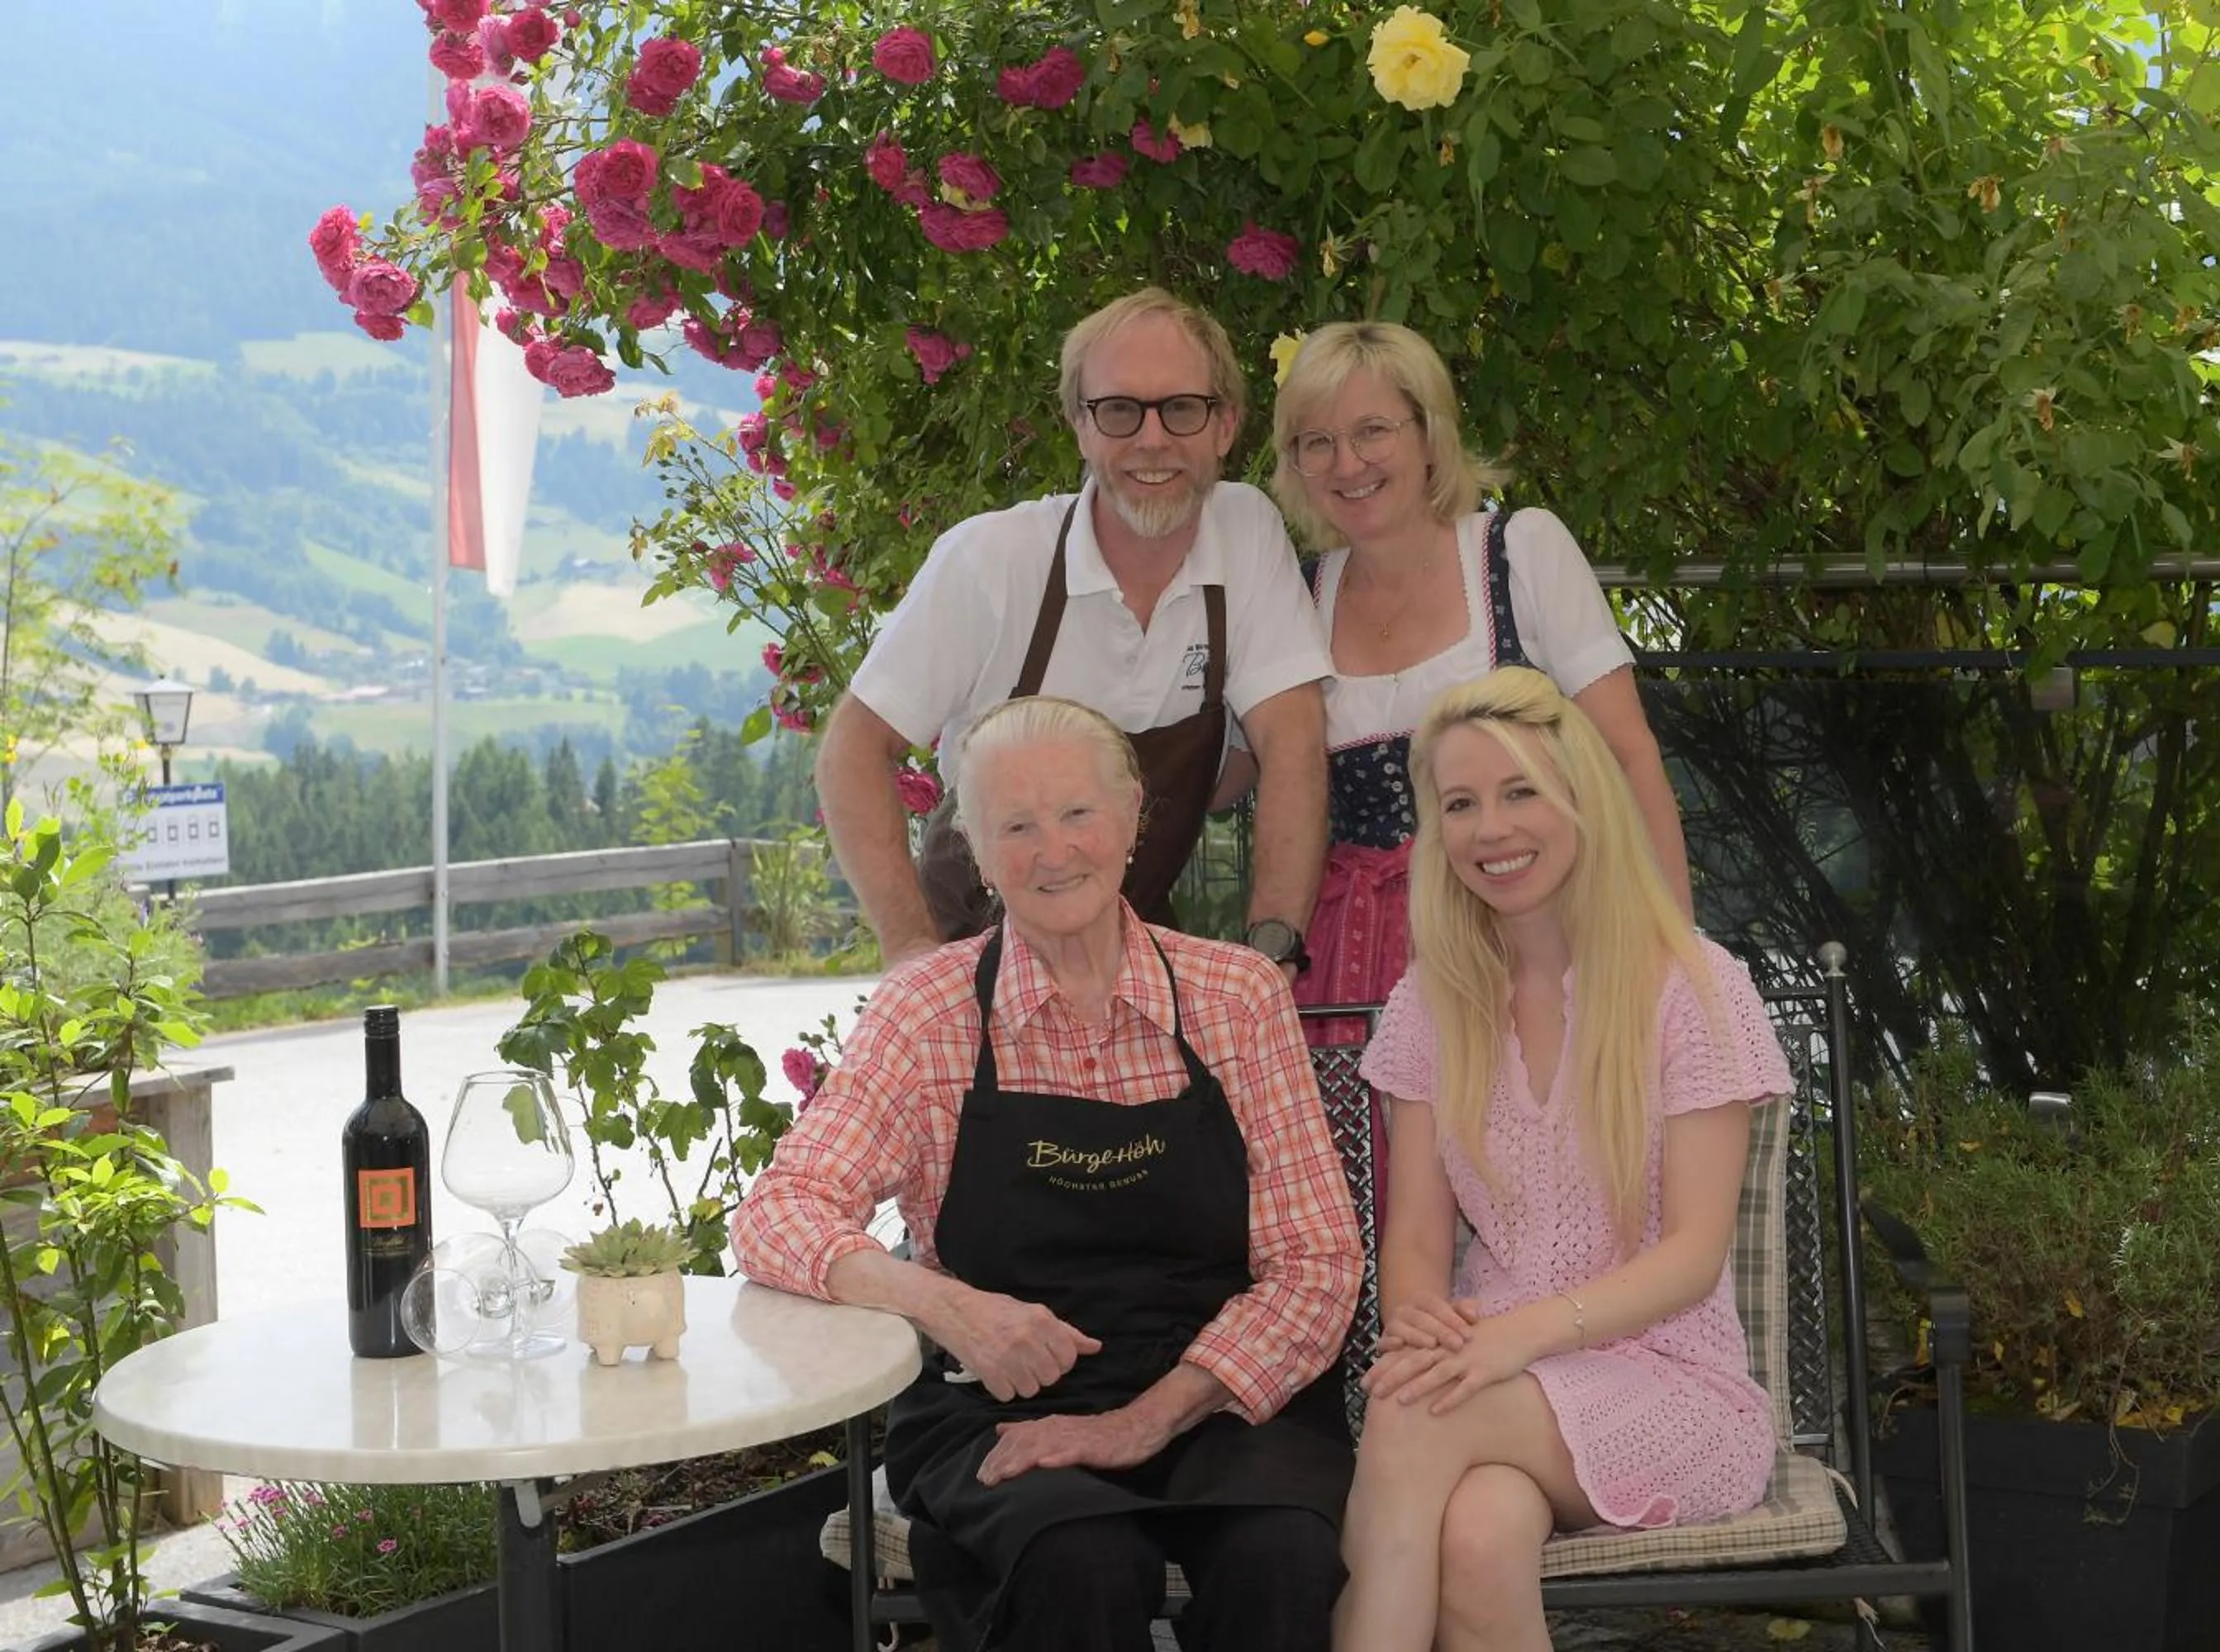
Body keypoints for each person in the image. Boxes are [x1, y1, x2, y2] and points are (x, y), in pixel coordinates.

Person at [738, 694, 1362, 1652]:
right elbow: (779, 1212)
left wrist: (1144, 1419)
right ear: (977, 852)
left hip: (1218, 1392)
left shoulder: (1235, 997)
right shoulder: (927, 1011)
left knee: (1279, 1555)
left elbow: (1317, 1264)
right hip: (999, 1399)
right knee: (1079, 1559)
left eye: (1077, 813)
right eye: (1017, 826)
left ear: (1133, 817)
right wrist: (950, 1307)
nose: (1053, 850)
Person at [1330, 667, 1790, 1652]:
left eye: (1520, 791)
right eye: (1460, 803)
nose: (1490, 828)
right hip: (1494, 1379)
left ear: (1582, 798)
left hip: (1673, 1384)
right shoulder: (1432, 1002)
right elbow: (1416, 1237)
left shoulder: (1694, 987)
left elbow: (1693, 1255)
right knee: (1477, 1533)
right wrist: (1423, 1329)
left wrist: (1516, 1338)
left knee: (1411, 1421)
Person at [816, 287, 1329, 976]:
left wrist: (1271, 953)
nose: (1153, 439)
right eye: (1119, 410)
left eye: (1182, 408)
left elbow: (1293, 743)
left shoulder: (1246, 533)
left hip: (1137, 961)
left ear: (1226, 426)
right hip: (974, 964)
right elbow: (851, 750)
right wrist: (913, 955)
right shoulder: (993, 560)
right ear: (1080, 426)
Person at [1267, 321, 1691, 1046]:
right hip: (1355, 962)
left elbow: (1629, 757)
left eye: (1373, 431)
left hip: (1530, 935)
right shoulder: (1294, 601)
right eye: (1318, 442)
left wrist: (1676, 961)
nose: (1348, 463)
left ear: (1431, 437)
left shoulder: (1521, 552)